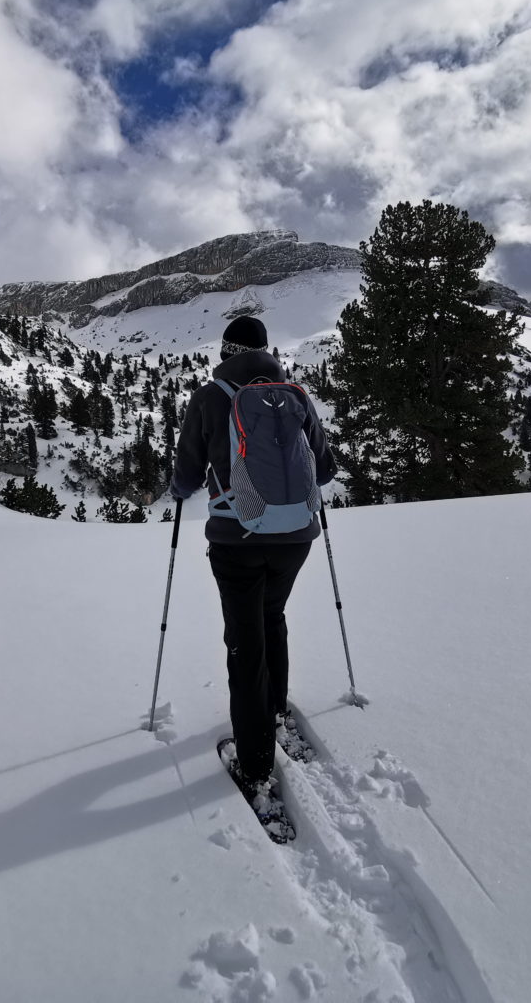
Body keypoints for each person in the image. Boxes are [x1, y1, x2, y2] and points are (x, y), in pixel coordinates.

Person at [169, 315, 336, 795]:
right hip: (297, 537)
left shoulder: (209, 397)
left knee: (244, 641)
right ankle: (276, 709)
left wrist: (180, 488)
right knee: (272, 615)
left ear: (225, 350)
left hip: (235, 539)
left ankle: (256, 764)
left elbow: (185, 476)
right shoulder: (295, 396)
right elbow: (324, 472)